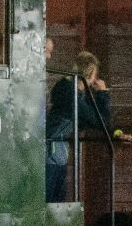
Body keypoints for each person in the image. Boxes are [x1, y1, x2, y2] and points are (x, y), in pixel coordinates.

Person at [46, 49, 121, 202]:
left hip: (56, 151)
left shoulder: (70, 92)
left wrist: (115, 133)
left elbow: (93, 120)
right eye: (94, 76)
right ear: (90, 74)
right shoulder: (71, 95)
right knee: (51, 199)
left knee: (55, 200)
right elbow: (99, 121)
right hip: (52, 151)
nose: (94, 81)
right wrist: (103, 93)